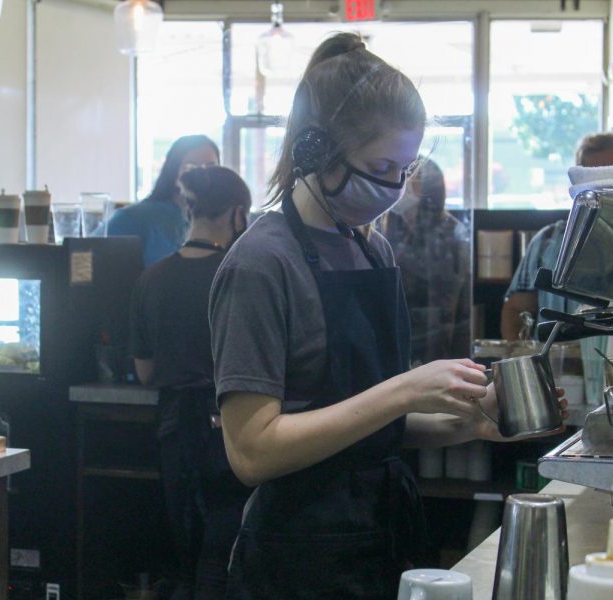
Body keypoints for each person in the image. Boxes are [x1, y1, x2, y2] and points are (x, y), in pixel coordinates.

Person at [209, 33, 568, 598]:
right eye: (381, 165)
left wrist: (473, 423)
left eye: (404, 170)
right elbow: (252, 450)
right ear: (316, 152)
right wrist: (404, 391)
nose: (394, 189)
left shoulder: (370, 249)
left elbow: (369, 431)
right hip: (299, 554)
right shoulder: (259, 263)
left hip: (382, 531)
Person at [129, 166, 251, 600]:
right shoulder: (241, 275)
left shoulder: (152, 278)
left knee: (186, 550)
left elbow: (145, 372)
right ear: (238, 214)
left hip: (174, 429)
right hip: (231, 424)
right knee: (226, 549)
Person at [500, 132, 613, 340]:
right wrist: (525, 364)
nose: (608, 186)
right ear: (580, 182)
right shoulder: (547, 242)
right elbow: (515, 310)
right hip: (558, 365)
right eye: (598, 176)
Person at [381, 158, 472, 365]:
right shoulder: (386, 229)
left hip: (437, 345)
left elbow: (452, 303)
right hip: (395, 339)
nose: (398, 180)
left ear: (428, 187)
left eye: (407, 174)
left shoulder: (451, 231)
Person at [109, 135, 220, 267]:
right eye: (191, 167)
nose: (202, 175)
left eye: (211, 167)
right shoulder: (132, 219)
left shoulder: (223, 221)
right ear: (173, 170)